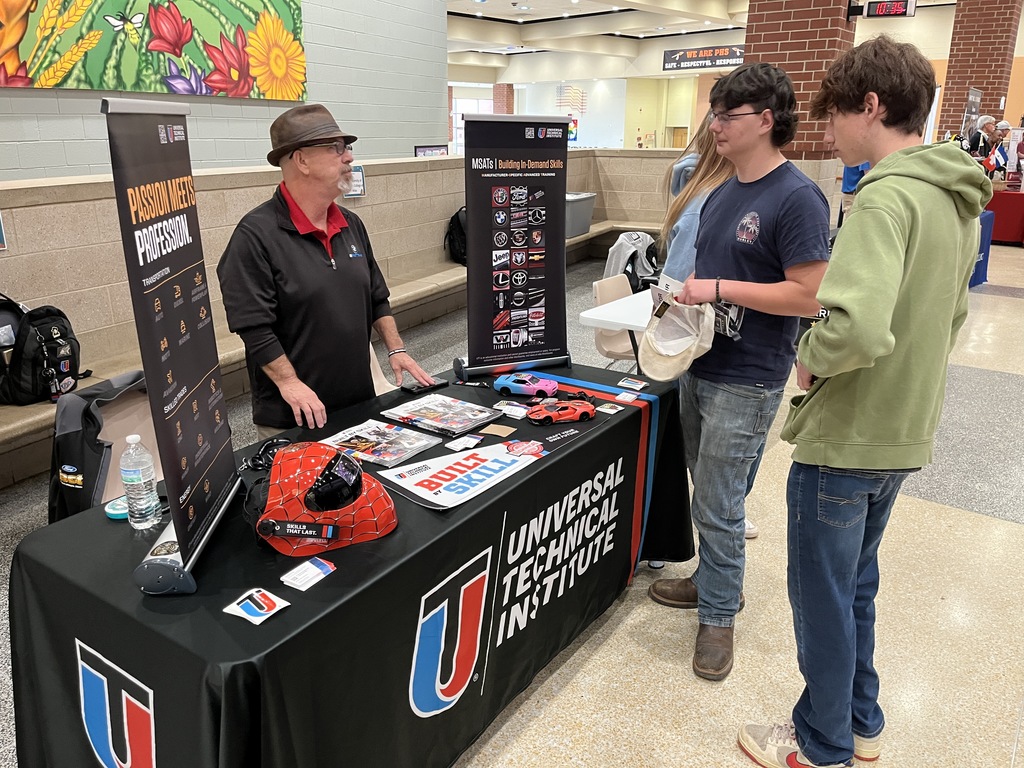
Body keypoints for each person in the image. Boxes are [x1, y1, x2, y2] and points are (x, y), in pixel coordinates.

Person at [738, 36, 992, 768]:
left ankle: (820, 743)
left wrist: (809, 361)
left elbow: (853, 326)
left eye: (838, 116)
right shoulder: (956, 198)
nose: (832, 132)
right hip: (904, 429)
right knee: (856, 586)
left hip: (849, 433)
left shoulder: (884, 196)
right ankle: (861, 720)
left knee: (821, 596)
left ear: (872, 106)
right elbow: (949, 318)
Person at [647, 62, 831, 682]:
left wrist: (719, 287)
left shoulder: (797, 197)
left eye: (728, 115)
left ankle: (720, 614)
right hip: (701, 361)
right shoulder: (723, 191)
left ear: (766, 121)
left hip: (749, 375)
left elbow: (809, 295)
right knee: (712, 489)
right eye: (715, 114)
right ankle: (711, 580)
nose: (715, 126)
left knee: (721, 500)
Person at [218, 104, 433, 438]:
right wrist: (289, 383)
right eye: (336, 149)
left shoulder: (351, 224)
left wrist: (397, 348)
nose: (348, 157)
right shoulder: (255, 236)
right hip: (296, 417)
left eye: (346, 148)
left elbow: (377, 296)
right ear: (301, 160)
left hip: (359, 404)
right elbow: (253, 327)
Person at [658, 121, 764, 541]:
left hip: (693, 330)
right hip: (702, 334)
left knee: (708, 461)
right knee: (714, 469)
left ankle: (716, 516)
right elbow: (684, 274)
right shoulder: (714, 195)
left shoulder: (693, 183)